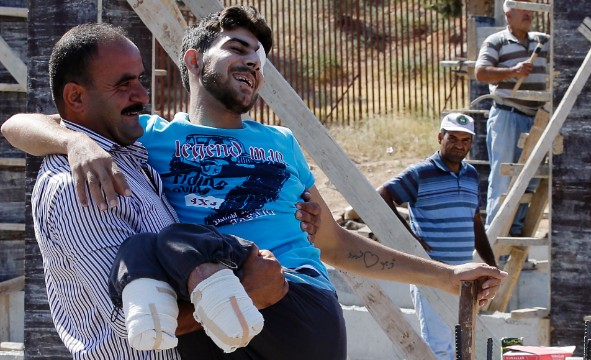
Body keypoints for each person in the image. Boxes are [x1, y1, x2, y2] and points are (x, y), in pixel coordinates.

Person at [3, 6, 507, 360]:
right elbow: (16, 125)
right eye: (238, 48)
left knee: (167, 241)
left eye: (261, 58)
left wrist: (443, 275)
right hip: (211, 323)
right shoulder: (147, 135)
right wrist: (75, 142)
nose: (254, 62)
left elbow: (334, 243)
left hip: (296, 298)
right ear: (195, 60)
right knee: (154, 244)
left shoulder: (283, 143)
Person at [0, 22, 321, 360]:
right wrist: (247, 292)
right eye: (124, 83)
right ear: (76, 97)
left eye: (140, 79)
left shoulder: (133, 155)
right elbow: (131, 321)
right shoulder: (79, 184)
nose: (141, 94)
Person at [378, 113, 497, 360]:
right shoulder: (421, 173)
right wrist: (408, 238)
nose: (459, 144)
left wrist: (492, 265)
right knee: (438, 347)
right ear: (440, 137)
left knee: (461, 347)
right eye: (452, 138)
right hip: (430, 272)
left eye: (465, 140)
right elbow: (382, 195)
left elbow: (475, 223)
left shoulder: (471, 175)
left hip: (465, 275)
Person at [474, 0, 549, 236]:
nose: (528, 14)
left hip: (536, 120)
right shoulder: (496, 41)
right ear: (508, 15)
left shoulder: (541, 41)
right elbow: (481, 72)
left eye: (530, 10)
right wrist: (513, 71)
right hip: (508, 115)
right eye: (522, 10)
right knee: (503, 182)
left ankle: (513, 239)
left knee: (529, 181)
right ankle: (494, 249)